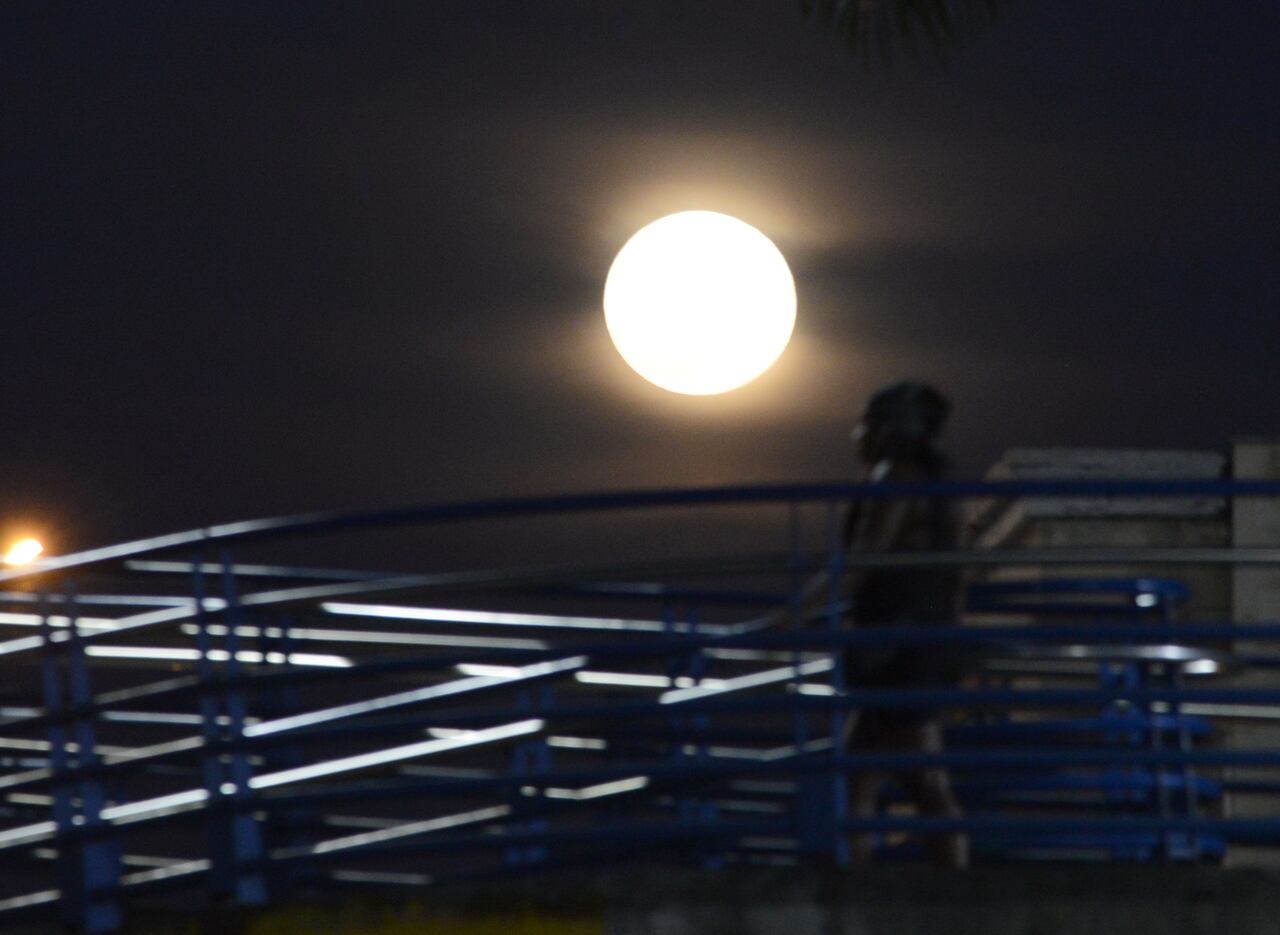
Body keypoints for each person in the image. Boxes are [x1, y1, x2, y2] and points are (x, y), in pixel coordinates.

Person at [841, 380, 969, 868]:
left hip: (895, 647)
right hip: (921, 640)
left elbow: (864, 558)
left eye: (866, 424)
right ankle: (859, 882)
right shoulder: (942, 487)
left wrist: (794, 612)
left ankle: (952, 888)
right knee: (863, 771)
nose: (858, 434)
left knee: (918, 778)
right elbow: (957, 573)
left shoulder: (896, 478)